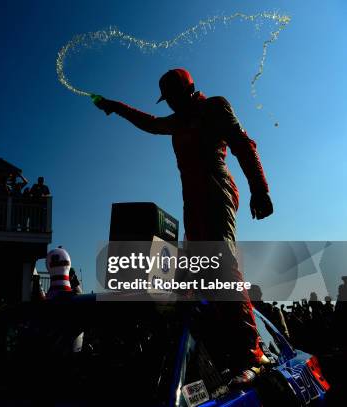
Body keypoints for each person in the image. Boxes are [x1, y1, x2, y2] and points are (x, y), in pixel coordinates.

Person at [93, 68, 273, 384]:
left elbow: (244, 145)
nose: (171, 105)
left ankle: (253, 356)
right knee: (198, 275)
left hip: (216, 191)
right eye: (169, 101)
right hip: (192, 201)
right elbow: (149, 123)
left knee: (222, 265)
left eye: (174, 98)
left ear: (189, 90)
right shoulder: (176, 120)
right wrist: (115, 106)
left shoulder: (215, 106)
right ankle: (223, 349)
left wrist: (260, 190)